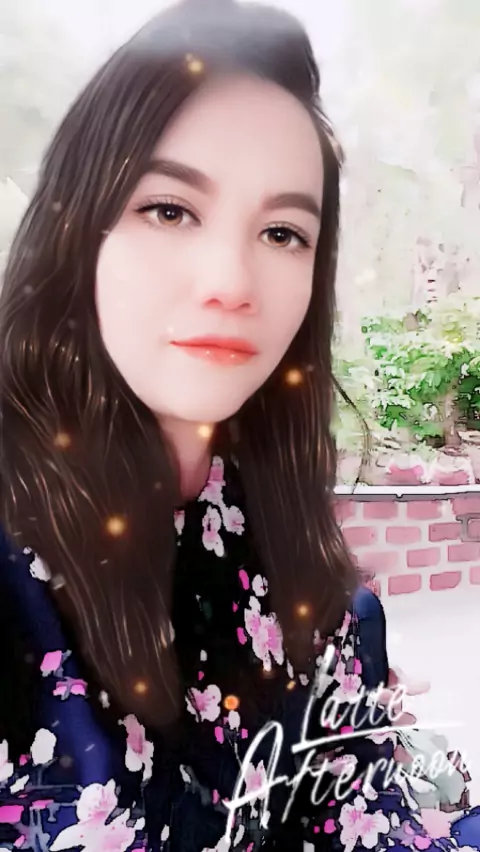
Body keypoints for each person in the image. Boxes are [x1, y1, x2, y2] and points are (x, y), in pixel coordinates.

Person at [0, 0, 478, 849]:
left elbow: (361, 815)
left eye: (283, 232)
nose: (230, 280)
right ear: (79, 227)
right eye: (170, 209)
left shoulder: (291, 556)